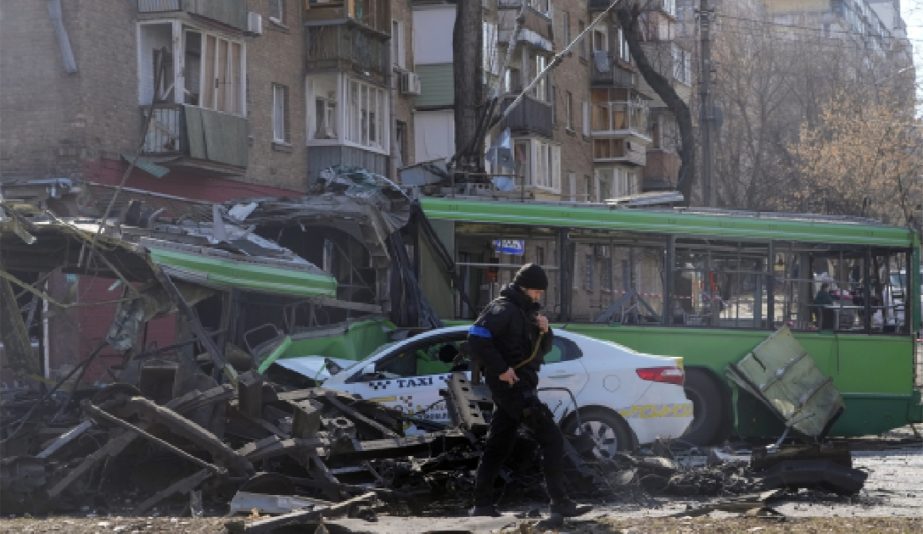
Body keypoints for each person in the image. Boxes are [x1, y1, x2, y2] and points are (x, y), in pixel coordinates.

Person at [466, 263, 592, 519]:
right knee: (552, 439)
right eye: (537, 291)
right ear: (525, 288)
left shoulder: (526, 312)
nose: (539, 297)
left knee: (498, 444)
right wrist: (501, 368)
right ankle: (560, 503)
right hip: (513, 387)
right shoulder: (503, 308)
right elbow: (476, 338)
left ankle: (482, 504)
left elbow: (540, 351)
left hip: (519, 385)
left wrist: (546, 331)